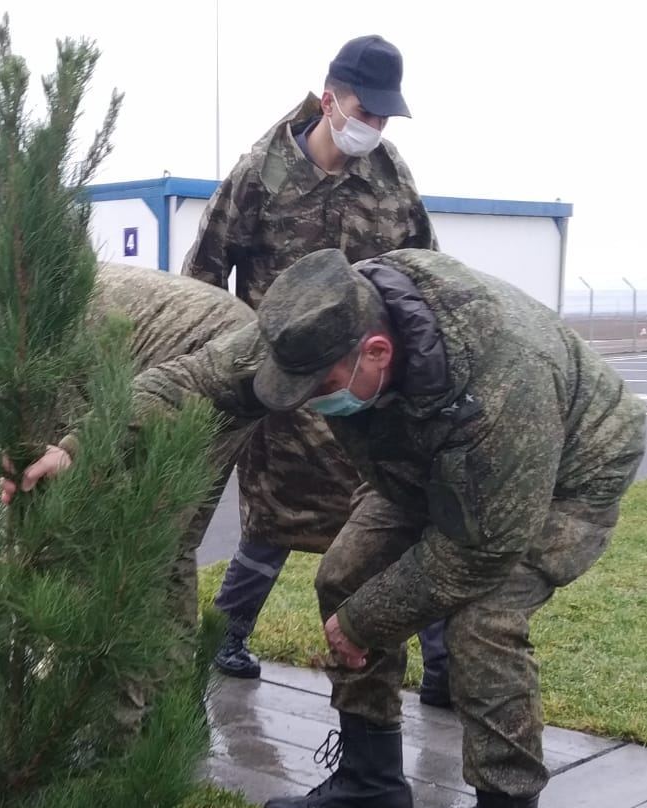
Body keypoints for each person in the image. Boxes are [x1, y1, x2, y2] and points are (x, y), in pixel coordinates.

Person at [83, 247, 644, 808]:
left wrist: (364, 624)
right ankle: (372, 782)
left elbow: (476, 549)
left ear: (376, 351)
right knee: (344, 574)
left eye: (319, 388)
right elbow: (197, 377)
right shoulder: (320, 318)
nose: (310, 403)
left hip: (562, 473)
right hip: (428, 460)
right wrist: (78, 445)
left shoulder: (504, 383)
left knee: (481, 626)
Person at [182, 35, 448, 703]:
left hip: (368, 386)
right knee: (274, 523)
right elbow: (205, 275)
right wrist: (226, 368)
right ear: (329, 101)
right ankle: (227, 634)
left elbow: (425, 269)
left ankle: (443, 668)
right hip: (286, 389)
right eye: (367, 112)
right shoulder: (259, 175)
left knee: (401, 522)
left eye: (386, 117)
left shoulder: (390, 174)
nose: (376, 128)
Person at [0, 262, 260, 636]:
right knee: (168, 541)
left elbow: (79, 447)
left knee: (141, 538)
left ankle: (140, 676)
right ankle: (168, 679)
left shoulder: (15, 327)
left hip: (210, 353)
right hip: (227, 342)